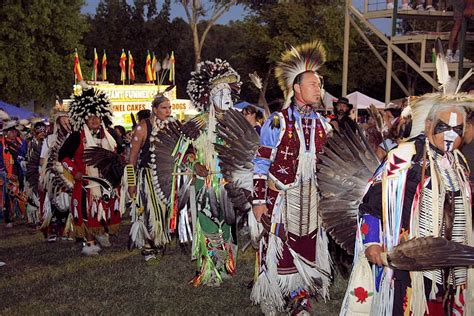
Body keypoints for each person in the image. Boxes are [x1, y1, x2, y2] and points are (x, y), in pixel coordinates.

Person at [251, 41, 333, 314]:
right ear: (297, 88)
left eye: (319, 83)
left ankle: (300, 295)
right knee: (277, 245)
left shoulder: (323, 125)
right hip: (281, 199)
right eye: (312, 83)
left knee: (307, 243)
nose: (317, 88)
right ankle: (273, 293)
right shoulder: (278, 121)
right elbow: (261, 161)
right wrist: (258, 201)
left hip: (311, 200)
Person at [58, 87, 120, 256]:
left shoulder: (109, 136)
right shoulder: (77, 137)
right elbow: (63, 157)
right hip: (85, 182)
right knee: (87, 211)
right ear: (84, 118)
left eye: (97, 116)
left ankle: (103, 233)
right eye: (90, 117)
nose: (94, 120)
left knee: (107, 208)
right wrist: (75, 171)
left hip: (107, 181)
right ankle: (90, 242)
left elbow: (118, 155)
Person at [126, 94, 173, 261]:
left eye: (169, 107)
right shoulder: (143, 127)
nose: (168, 111)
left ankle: (158, 239)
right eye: (164, 108)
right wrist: (131, 183)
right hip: (147, 176)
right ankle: (148, 244)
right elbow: (131, 158)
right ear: (155, 109)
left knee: (164, 210)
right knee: (148, 210)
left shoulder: (171, 126)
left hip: (167, 176)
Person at [0, 121, 27, 228]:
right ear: (7, 133)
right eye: (12, 131)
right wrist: (5, 172)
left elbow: (23, 154)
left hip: (20, 172)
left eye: (15, 131)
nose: (14, 133)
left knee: (21, 194)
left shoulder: (19, 142)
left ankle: (22, 214)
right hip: (8, 173)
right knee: (8, 196)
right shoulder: (2, 144)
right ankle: (8, 218)